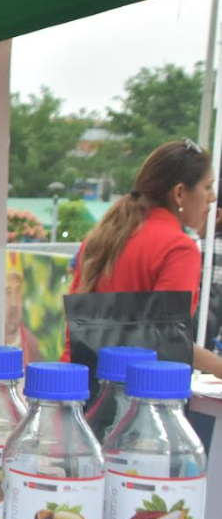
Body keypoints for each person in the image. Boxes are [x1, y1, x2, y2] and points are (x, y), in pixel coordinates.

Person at [68, 139, 222, 377]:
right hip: (135, 391)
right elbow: (166, 341)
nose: (212, 197)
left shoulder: (103, 236)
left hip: (81, 383)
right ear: (179, 193)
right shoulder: (178, 248)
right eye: (208, 187)